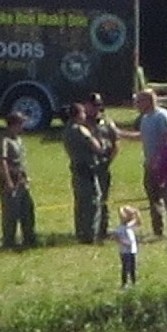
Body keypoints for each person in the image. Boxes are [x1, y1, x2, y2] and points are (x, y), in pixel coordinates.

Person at [62, 101, 104, 243]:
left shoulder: (67, 130)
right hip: (87, 169)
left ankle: (80, 231)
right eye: (83, 113)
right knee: (93, 201)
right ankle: (91, 234)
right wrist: (94, 134)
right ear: (78, 114)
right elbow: (97, 147)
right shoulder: (80, 130)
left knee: (80, 202)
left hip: (77, 168)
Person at [133, 90, 167, 236]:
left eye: (139, 101)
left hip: (163, 165)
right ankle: (158, 230)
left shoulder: (162, 116)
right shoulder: (145, 118)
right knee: (153, 198)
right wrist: (119, 133)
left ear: (149, 101)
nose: (137, 105)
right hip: (149, 165)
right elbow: (142, 137)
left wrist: (159, 159)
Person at [0, 112, 34, 249]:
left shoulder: (18, 139)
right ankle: (9, 241)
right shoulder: (4, 141)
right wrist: (8, 181)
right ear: (13, 124)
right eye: (20, 124)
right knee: (11, 212)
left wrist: (25, 177)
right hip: (11, 180)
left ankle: (29, 239)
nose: (22, 127)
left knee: (27, 209)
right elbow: (2, 162)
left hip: (21, 179)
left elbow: (21, 161)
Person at [113, 204, 139, 286]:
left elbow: (138, 222)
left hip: (132, 250)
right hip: (124, 251)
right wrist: (124, 242)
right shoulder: (120, 228)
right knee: (125, 267)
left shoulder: (130, 225)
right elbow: (116, 237)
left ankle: (134, 281)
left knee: (133, 267)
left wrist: (137, 213)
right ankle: (124, 283)